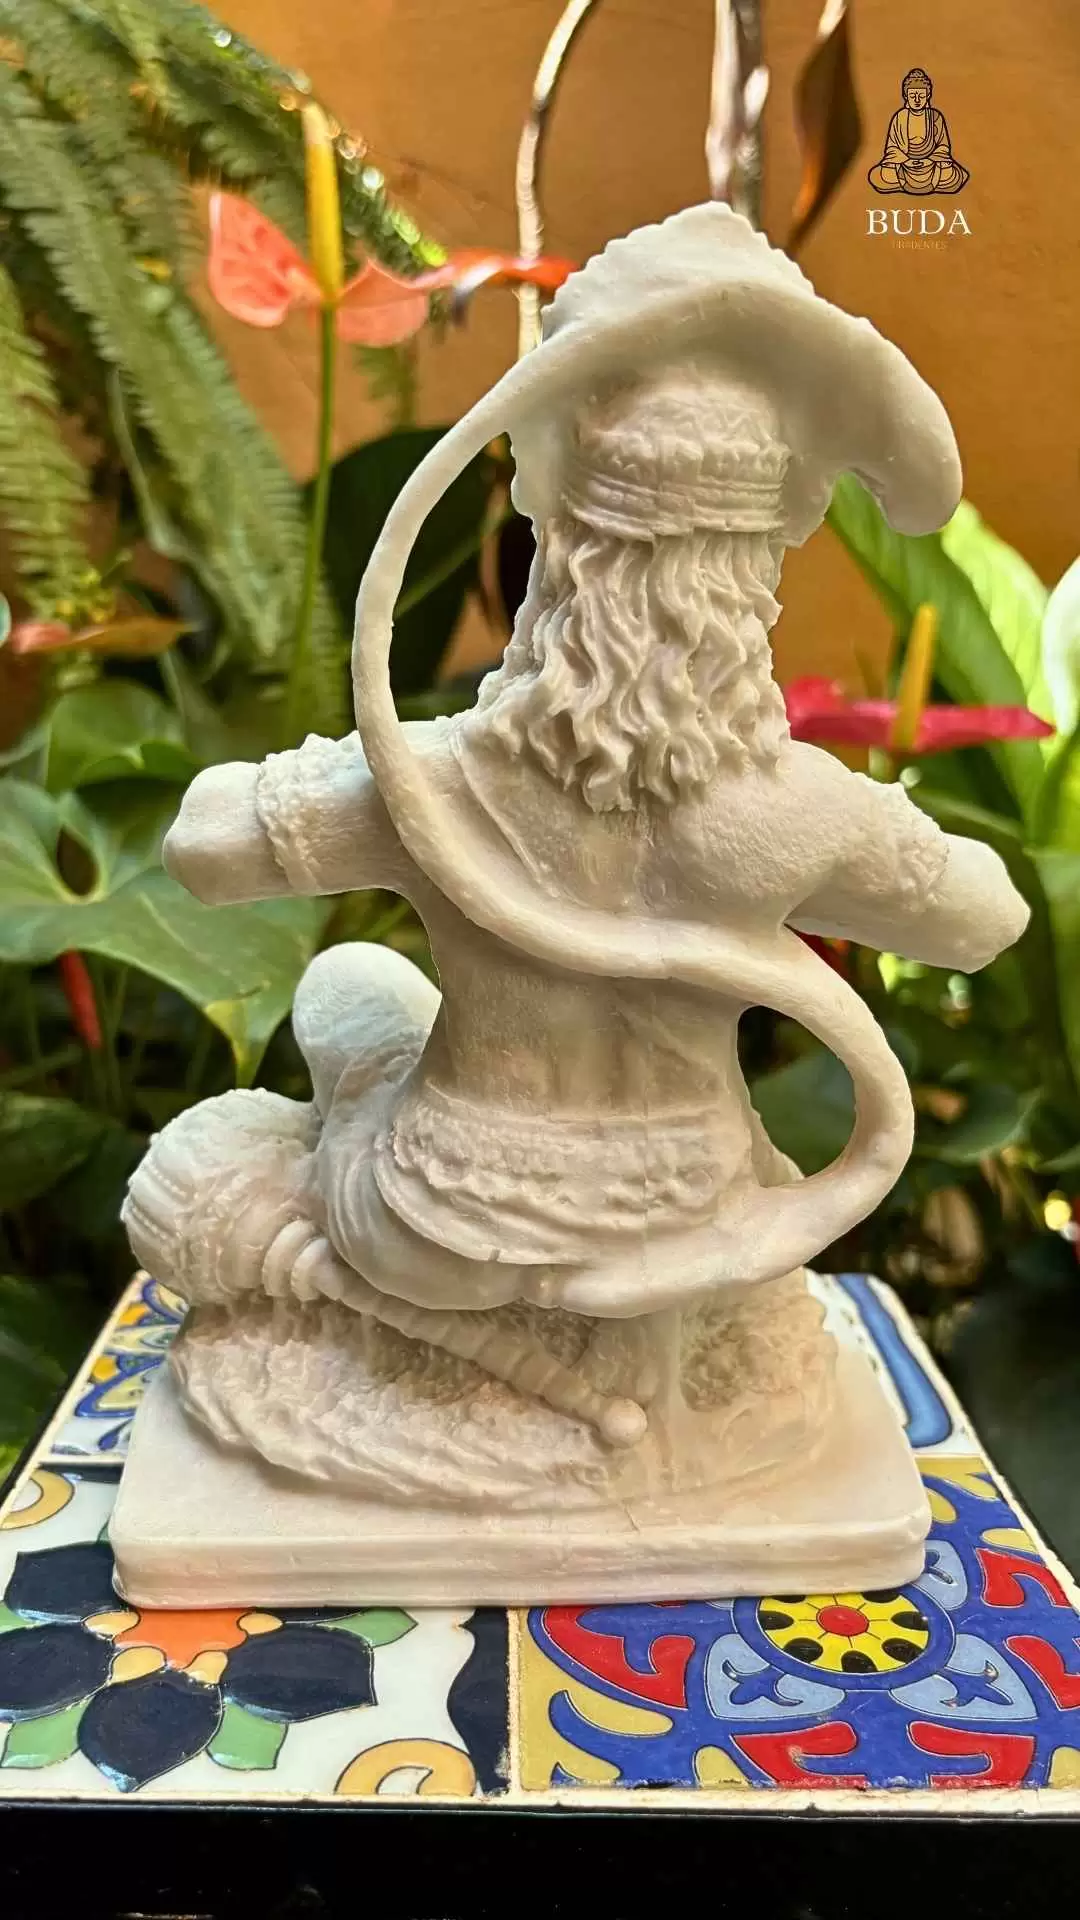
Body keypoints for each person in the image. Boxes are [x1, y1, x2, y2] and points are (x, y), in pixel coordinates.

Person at [868, 69, 969, 195]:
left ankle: (923, 181)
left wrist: (929, 160)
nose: (917, 100)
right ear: (906, 96)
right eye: (912, 96)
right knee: (882, 174)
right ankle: (906, 180)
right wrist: (906, 161)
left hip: (931, 166)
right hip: (905, 166)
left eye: (921, 96)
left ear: (928, 95)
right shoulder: (900, 117)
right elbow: (892, 148)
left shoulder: (935, 117)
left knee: (949, 174)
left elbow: (943, 147)